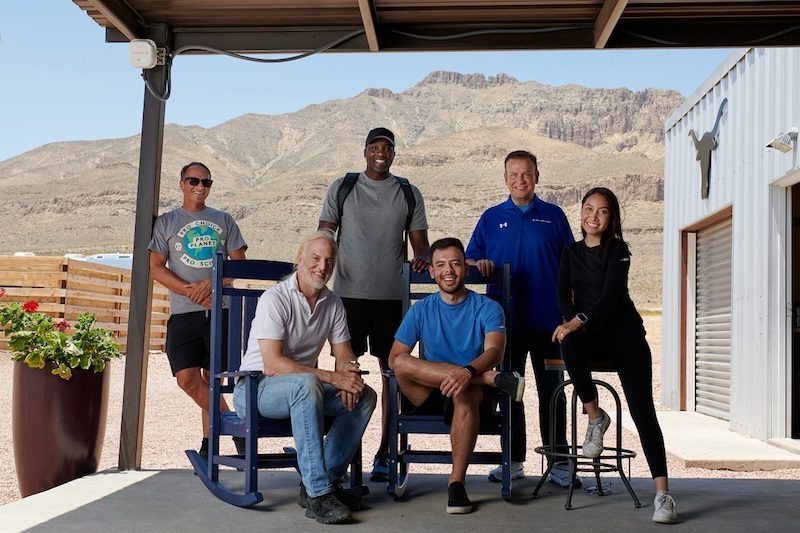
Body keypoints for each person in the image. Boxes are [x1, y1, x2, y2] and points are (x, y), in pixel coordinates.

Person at [552, 187, 678, 524]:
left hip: (624, 335)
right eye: (588, 208)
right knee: (568, 344)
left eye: (602, 211)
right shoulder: (570, 252)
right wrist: (568, 323)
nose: (593, 216)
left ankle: (663, 495)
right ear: (580, 212)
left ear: (612, 218)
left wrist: (577, 321)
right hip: (590, 335)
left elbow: (610, 298)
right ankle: (596, 417)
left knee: (642, 412)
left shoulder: (618, 250)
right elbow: (563, 291)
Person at [234, 230, 377, 525]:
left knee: (365, 396)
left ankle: (319, 484)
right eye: (315, 258)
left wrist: (349, 375)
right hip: (256, 389)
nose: (322, 266)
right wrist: (332, 377)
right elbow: (273, 364)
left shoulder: (333, 302)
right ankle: (319, 493)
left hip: (303, 389)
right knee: (308, 383)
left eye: (329, 261)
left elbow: (344, 354)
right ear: (299, 259)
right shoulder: (275, 299)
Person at [318, 127, 430, 482]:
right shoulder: (343, 186)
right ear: (365, 151)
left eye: (387, 148)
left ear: (394, 153)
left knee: (392, 377)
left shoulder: (408, 193)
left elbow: (421, 248)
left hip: (391, 299)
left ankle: (385, 453)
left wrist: (428, 260)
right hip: (347, 297)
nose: (381, 153)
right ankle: (341, 456)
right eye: (375, 147)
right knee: (345, 375)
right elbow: (324, 234)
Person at [388, 237, 525, 514]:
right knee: (400, 363)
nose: (448, 270)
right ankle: (489, 379)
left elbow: (495, 352)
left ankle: (456, 484)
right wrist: (475, 373)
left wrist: (467, 373)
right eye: (441, 265)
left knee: (464, 392)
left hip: (471, 396)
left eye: (454, 263)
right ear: (432, 272)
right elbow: (395, 359)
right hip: (428, 393)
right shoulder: (422, 309)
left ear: (465, 267)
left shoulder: (488, 308)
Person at [466, 150, 574, 485]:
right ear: (505, 178)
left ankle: (558, 463)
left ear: (537, 176)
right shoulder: (491, 217)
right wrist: (479, 265)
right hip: (504, 325)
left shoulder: (554, 216)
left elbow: (571, 266)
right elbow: (470, 260)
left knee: (552, 392)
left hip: (549, 323)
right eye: (514, 174)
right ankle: (512, 461)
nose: (520, 180)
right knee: (510, 390)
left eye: (526, 174)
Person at [149, 161, 247, 463]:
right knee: (187, 379)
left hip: (221, 310)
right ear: (182, 184)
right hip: (184, 312)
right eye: (194, 181)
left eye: (206, 182)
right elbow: (155, 268)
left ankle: (209, 442)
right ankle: (238, 428)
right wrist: (189, 291)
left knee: (213, 377)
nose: (200, 187)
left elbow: (239, 262)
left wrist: (210, 285)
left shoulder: (224, 220)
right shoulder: (166, 222)